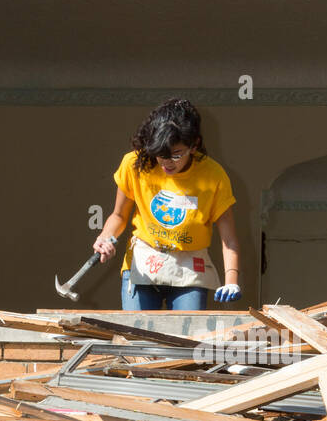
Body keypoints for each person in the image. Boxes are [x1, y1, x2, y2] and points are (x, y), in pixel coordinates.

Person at [93, 98, 242, 312]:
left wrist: (231, 280)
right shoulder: (134, 163)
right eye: (160, 155)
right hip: (144, 260)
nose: (166, 163)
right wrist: (105, 238)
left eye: (175, 155)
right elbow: (118, 216)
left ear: (194, 145)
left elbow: (229, 239)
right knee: (137, 339)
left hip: (190, 267)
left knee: (184, 342)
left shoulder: (214, 176)